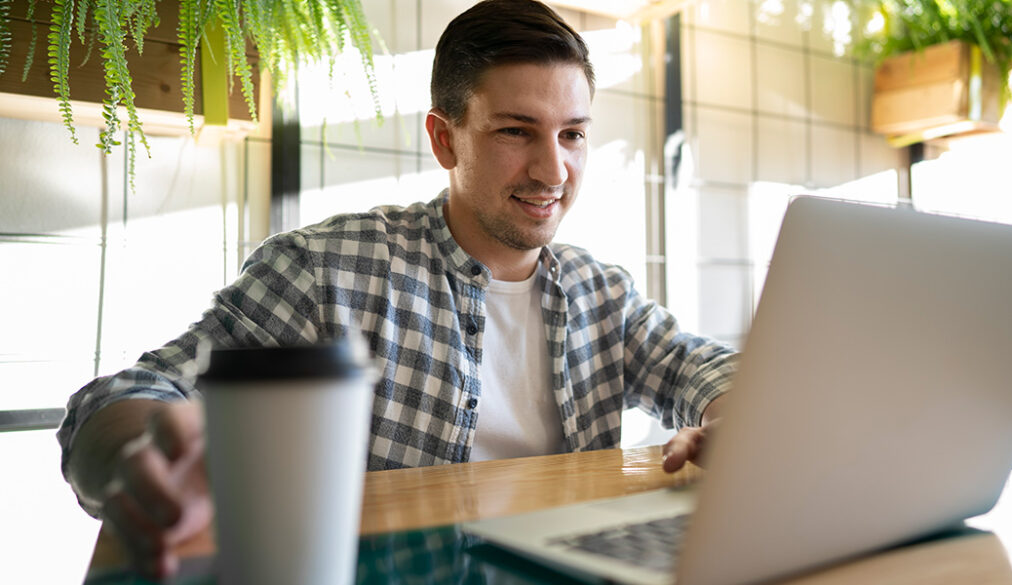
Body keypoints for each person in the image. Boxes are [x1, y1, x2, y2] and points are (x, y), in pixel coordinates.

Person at [56, 0, 738, 579]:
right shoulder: (330, 267)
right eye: (516, 131)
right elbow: (117, 400)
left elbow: (705, 367)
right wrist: (141, 455)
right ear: (445, 139)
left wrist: (734, 415)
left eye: (573, 135)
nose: (553, 167)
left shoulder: (601, 293)